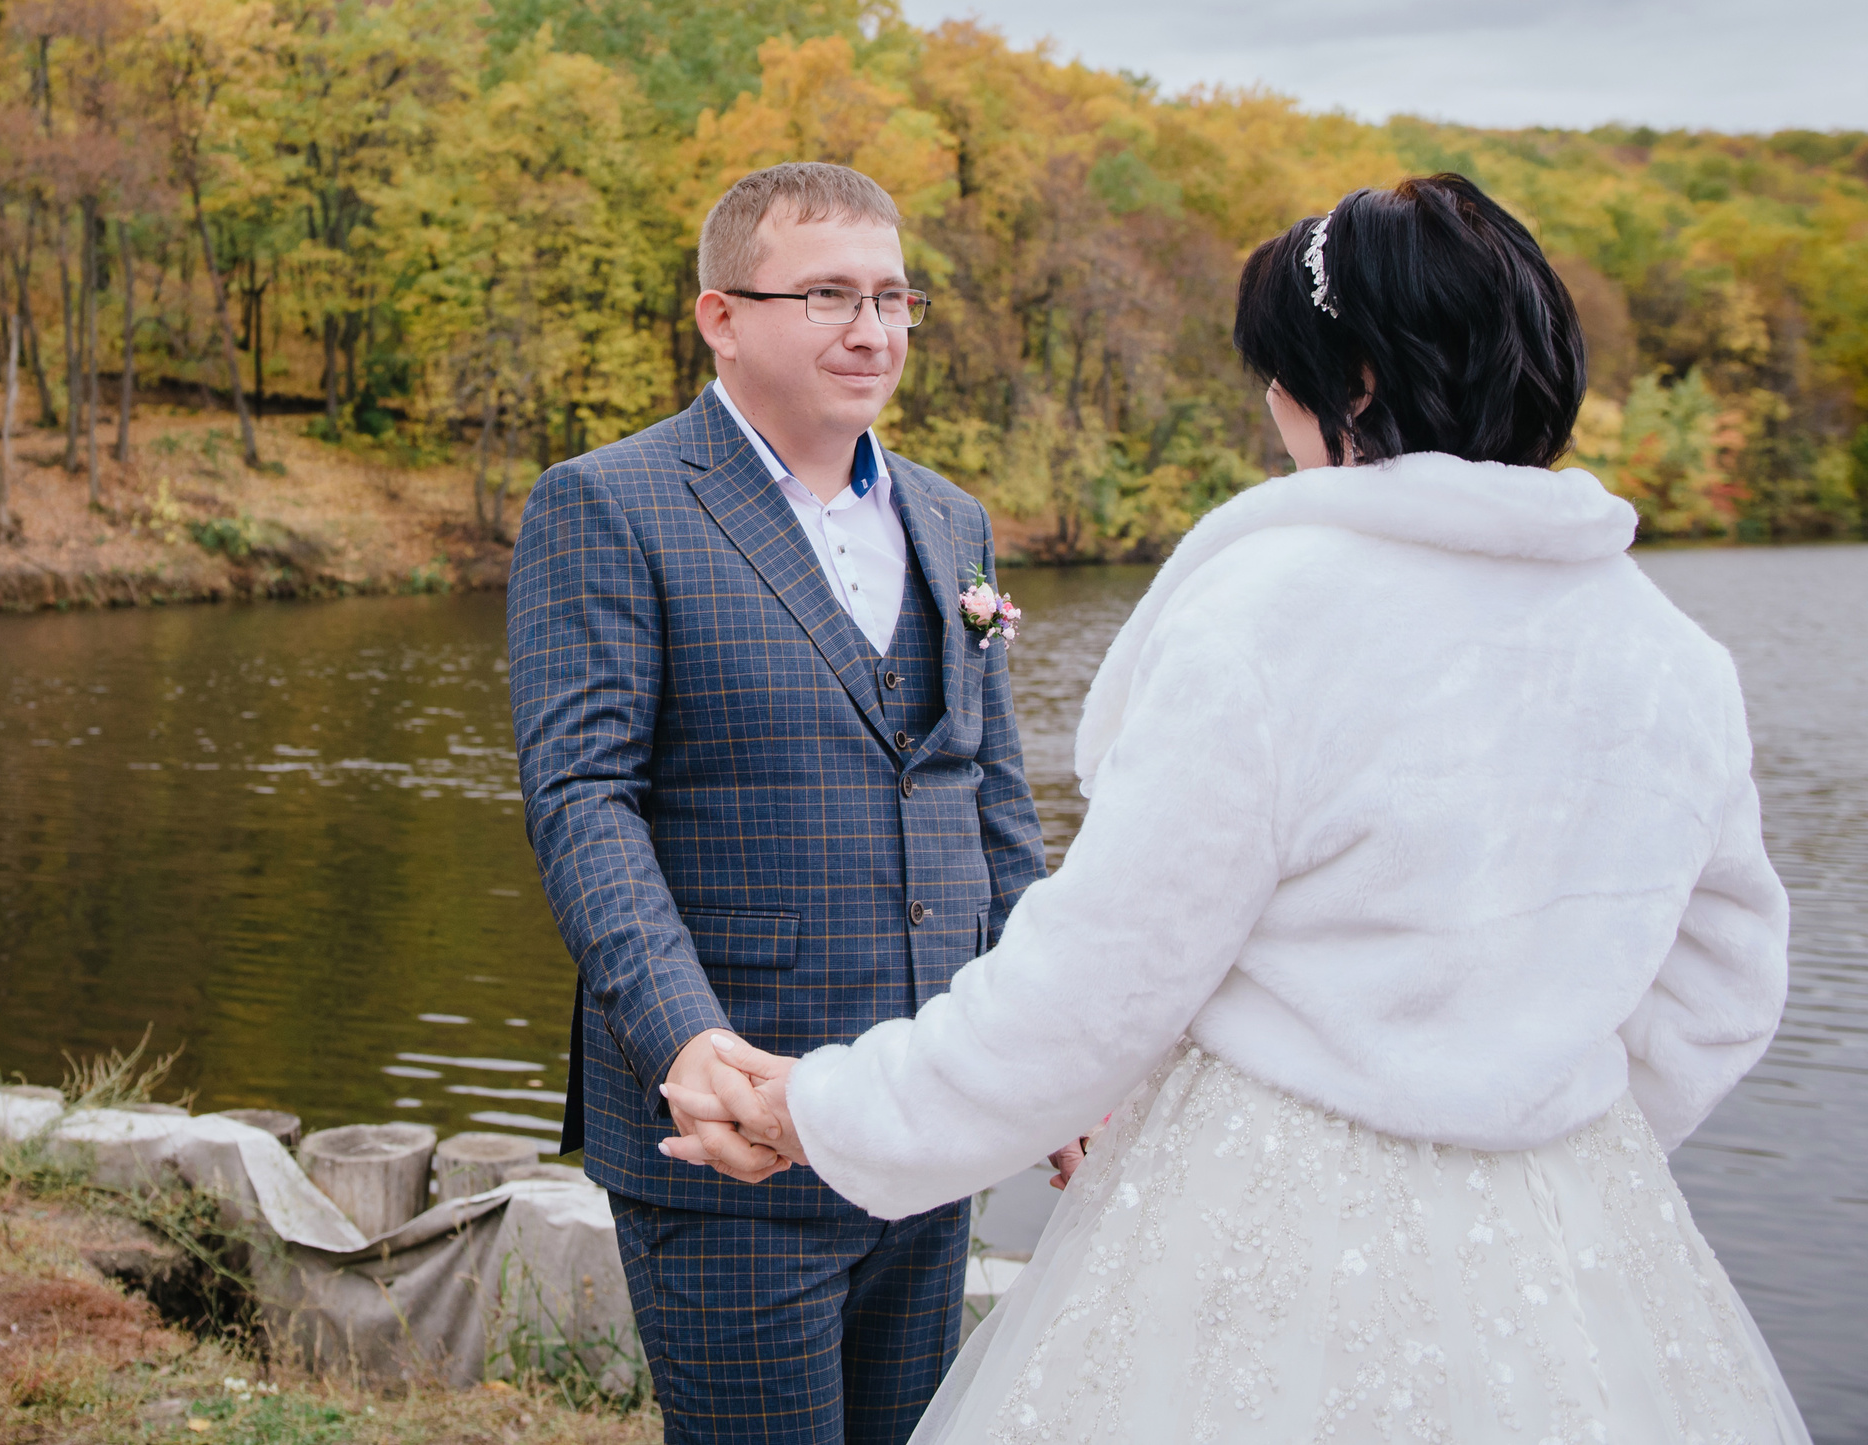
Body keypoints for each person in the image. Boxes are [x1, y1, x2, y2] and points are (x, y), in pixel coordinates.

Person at [677, 173, 1811, 1444]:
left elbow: (1096, 983)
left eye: (1280, 372)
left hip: (1270, 1213)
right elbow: (1722, 988)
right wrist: (1526, 1118)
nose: (1273, 405)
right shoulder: (1671, 653)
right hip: (1571, 1235)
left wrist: (825, 1109)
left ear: (1353, 384)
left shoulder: (1271, 615)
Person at [508, 161, 1048, 1444]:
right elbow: (584, 799)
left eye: (892, 297)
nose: (872, 331)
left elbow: (994, 803)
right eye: (826, 296)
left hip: (922, 1113)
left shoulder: (950, 517)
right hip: (733, 1126)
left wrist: (1048, 1042)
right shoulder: (609, 502)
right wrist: (684, 1042)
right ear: (721, 317)